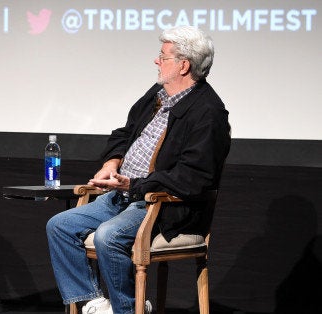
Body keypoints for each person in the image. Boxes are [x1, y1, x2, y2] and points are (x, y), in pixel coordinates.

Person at [46, 25, 231, 314]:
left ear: (183, 65)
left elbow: (192, 178)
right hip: (125, 195)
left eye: (163, 56)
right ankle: (96, 303)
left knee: (109, 236)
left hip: (162, 206)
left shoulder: (208, 114)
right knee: (60, 226)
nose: (156, 60)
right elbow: (124, 132)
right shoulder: (158, 95)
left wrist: (133, 185)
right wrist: (112, 163)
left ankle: (129, 309)